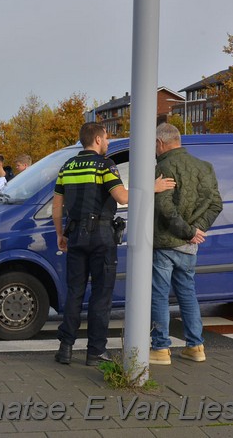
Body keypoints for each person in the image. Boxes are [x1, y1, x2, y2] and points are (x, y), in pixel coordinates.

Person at [53, 122, 175, 366]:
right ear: (97, 140)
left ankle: (65, 348)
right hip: (101, 236)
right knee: (101, 295)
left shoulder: (67, 167)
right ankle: (95, 352)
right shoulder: (104, 165)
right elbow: (122, 197)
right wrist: (153, 187)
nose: (108, 142)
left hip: (75, 234)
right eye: (106, 138)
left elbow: (58, 208)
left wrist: (60, 234)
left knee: (75, 292)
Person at [149, 123, 223, 365]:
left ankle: (161, 349)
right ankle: (196, 346)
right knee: (188, 294)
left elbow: (165, 207)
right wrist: (196, 231)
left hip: (166, 244)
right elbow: (216, 204)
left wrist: (188, 231)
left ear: (160, 143)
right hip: (189, 246)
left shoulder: (163, 166)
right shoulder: (205, 167)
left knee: (160, 295)